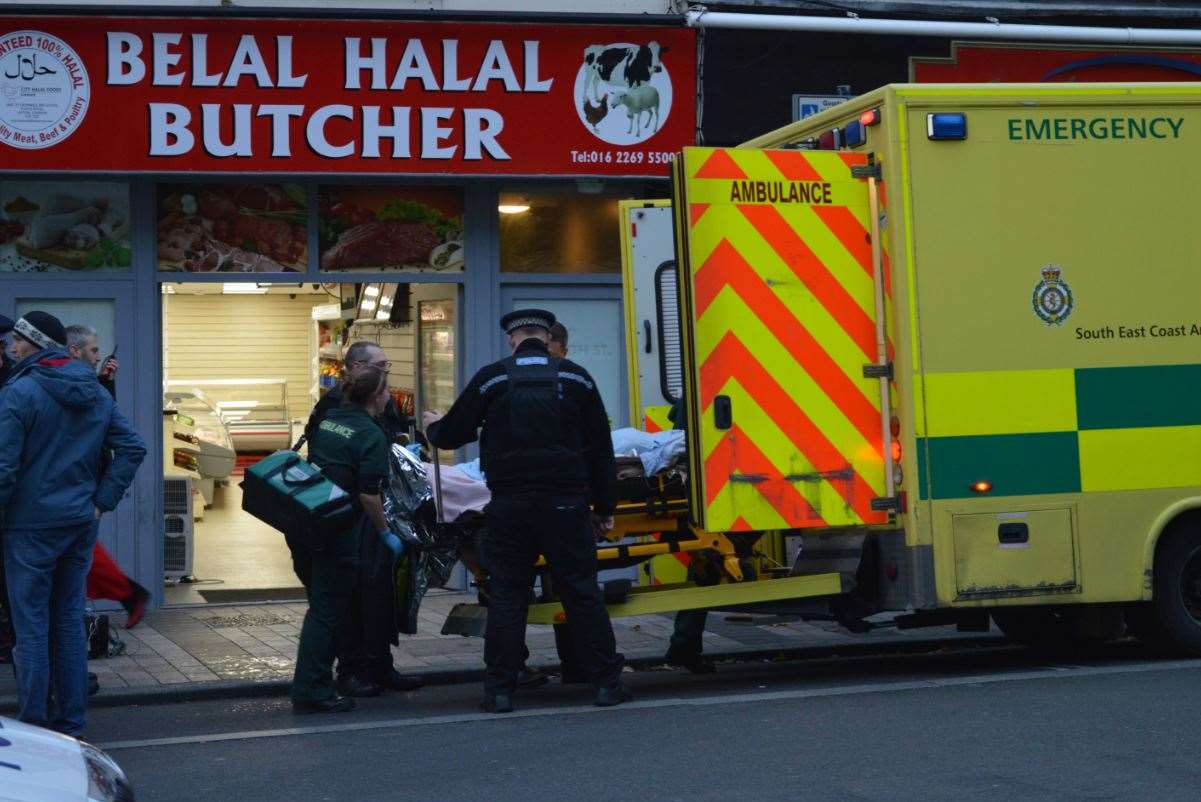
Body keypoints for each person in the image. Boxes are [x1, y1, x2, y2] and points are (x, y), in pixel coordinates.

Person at [425, 308, 629, 713]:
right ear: (547, 336)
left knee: (508, 596)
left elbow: (452, 434)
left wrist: (433, 425)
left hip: (510, 507)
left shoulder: (493, 378)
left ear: (512, 339)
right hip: (566, 505)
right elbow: (601, 450)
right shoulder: (576, 378)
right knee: (581, 592)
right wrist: (605, 507)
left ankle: (499, 691)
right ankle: (606, 684)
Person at [0, 312, 146, 735]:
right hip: (79, 523)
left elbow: (5, 469)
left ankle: (34, 726)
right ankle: (71, 723)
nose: (12, 347)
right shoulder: (92, 390)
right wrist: (101, 502)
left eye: (19, 340)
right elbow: (132, 447)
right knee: (66, 624)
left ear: (36, 344)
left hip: (28, 528)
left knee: (30, 629)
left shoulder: (19, 391)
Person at [298, 340, 422, 698]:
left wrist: (400, 451)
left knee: (379, 594)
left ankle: (380, 665)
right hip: (354, 513)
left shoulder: (381, 403)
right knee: (352, 597)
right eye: (379, 366)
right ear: (354, 367)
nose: (386, 372)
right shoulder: (336, 406)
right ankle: (352, 669)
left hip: (377, 508)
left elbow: (395, 437)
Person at [291, 365, 398, 714]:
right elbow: (369, 496)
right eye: (386, 391)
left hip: (310, 521)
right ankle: (312, 689)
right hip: (339, 530)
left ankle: (313, 684)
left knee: (321, 607)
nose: (389, 397)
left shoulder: (330, 419)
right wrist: (385, 533)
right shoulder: (370, 434)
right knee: (327, 612)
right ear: (374, 397)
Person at [64, 325, 150, 629]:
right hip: (80, 484)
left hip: (81, 484)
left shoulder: (85, 387)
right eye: (94, 350)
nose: (99, 356)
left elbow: (105, 427)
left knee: (80, 552)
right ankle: (129, 595)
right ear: (75, 351)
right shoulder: (71, 384)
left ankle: (130, 594)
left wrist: (105, 382)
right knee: (81, 553)